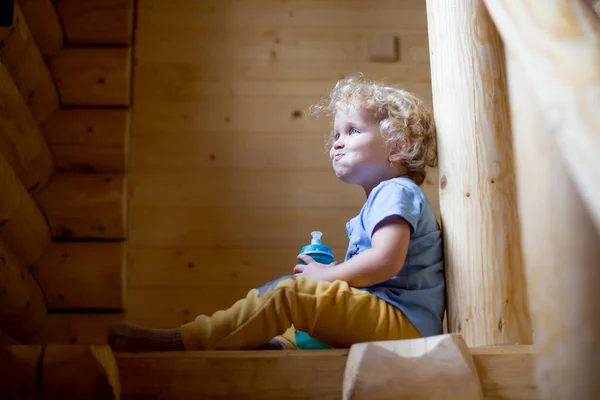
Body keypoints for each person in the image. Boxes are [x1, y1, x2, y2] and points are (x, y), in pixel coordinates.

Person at [107, 73, 445, 352]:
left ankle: (186, 340)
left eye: (353, 131)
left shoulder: (395, 191)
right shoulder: (385, 198)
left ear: (398, 146)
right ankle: (274, 349)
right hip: (394, 319)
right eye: (336, 135)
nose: (337, 143)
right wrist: (332, 275)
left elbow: (386, 261)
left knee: (290, 292)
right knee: (297, 324)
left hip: (404, 324)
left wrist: (324, 278)